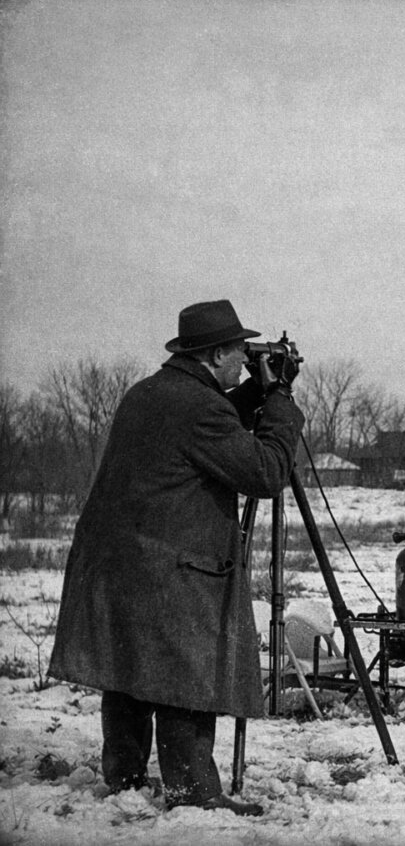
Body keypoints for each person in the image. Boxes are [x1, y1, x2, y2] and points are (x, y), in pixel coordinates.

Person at [48, 299, 304, 816]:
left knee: (131, 670)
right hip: (166, 567)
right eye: (239, 353)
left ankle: (125, 781)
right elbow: (265, 472)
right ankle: (194, 795)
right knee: (185, 670)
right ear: (214, 356)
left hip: (120, 562)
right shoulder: (200, 407)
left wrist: (256, 389)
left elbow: (210, 426)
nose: (243, 362)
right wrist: (277, 399)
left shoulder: (149, 393)